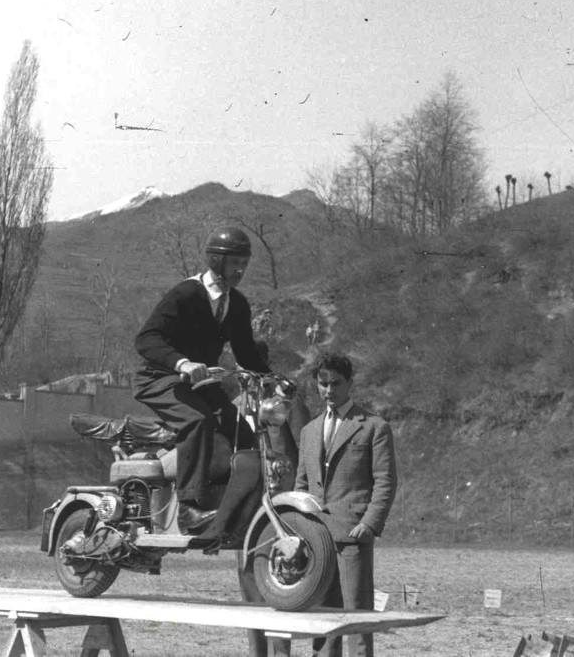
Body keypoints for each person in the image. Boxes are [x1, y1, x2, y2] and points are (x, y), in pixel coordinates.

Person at [133, 226, 270, 533]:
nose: (241, 269)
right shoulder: (186, 293)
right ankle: (189, 507)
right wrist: (181, 362)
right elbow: (146, 339)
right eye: (235, 262)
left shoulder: (237, 304)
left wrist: (274, 378)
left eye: (245, 263)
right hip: (159, 378)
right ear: (216, 261)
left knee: (243, 435)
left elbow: (246, 353)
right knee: (197, 421)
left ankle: (229, 506)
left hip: (199, 384)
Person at [295, 352, 397, 657]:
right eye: (322, 384)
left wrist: (368, 524)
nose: (329, 390)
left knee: (356, 620)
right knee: (322, 621)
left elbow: (386, 481)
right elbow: (301, 485)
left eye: (335, 383)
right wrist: (299, 531)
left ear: (349, 383)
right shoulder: (308, 431)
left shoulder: (373, 427)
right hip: (316, 541)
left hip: (353, 537)